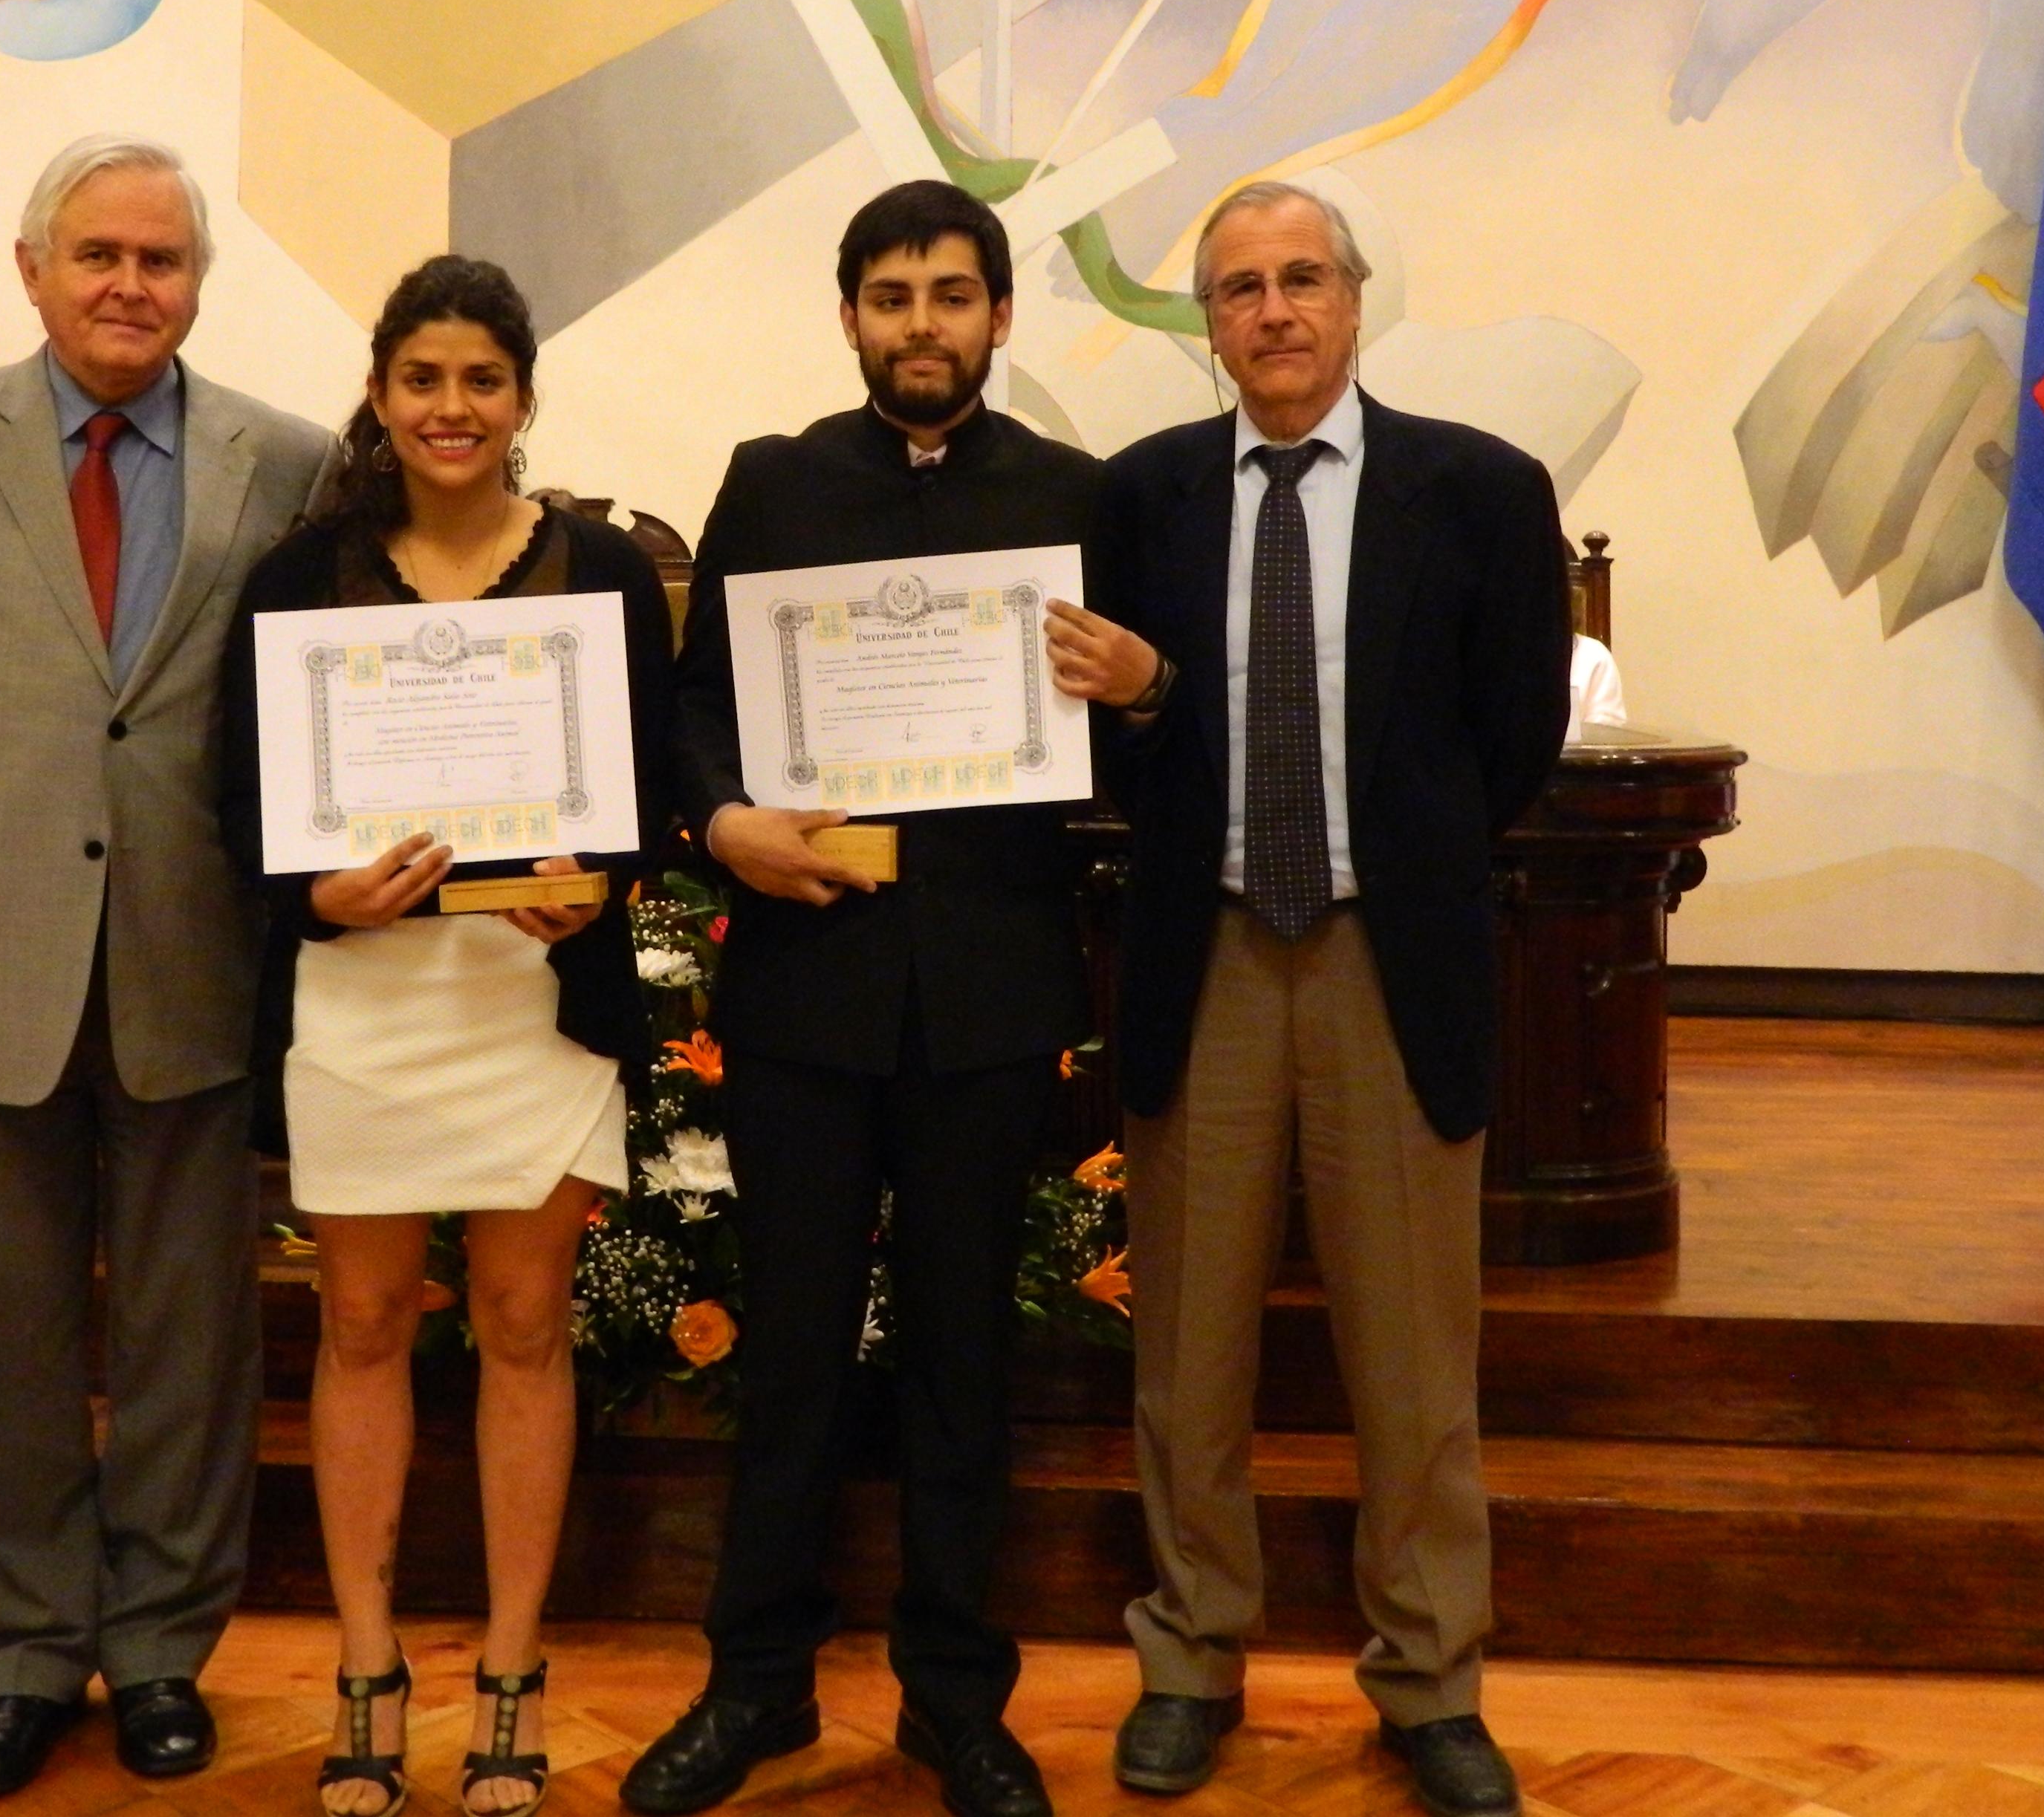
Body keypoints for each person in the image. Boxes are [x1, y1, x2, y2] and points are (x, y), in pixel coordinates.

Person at [0, 137, 336, 1797]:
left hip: (193, 955)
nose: (128, 285)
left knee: (192, 1338)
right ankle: (30, 1653)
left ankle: (165, 1649)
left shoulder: (287, 462)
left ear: (195, 286)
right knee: (7, 1335)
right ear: (33, 269)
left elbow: (294, 701)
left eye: (161, 261)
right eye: (97, 254)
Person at [621, 181, 1158, 1817]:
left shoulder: (1075, 496)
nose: (920, 324)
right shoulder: (773, 486)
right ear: (847, 317)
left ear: (1001, 317)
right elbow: (695, 708)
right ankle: (758, 1687)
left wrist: (1138, 692)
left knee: (957, 1366)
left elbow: (1125, 728)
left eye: (951, 294)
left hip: (987, 995)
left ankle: (951, 1698)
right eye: (890, 295)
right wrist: (721, 826)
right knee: (787, 1354)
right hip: (802, 988)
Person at [1084, 181, 1569, 1817]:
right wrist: (1158, 710)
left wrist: (1401, 857)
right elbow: (1105, 741)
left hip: (1389, 961)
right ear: (1205, 327)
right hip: (1203, 956)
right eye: (1239, 289)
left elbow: (1510, 741)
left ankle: (1430, 1683)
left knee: (1417, 1364)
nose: (1274, 311)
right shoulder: (1140, 500)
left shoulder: (1483, 492)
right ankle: (1190, 1660)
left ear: (1357, 303)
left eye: (1302, 280)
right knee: (1190, 1359)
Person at [215, 255, 681, 1817]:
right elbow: (241, 808)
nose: (452, 408)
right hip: (364, 999)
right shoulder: (300, 577)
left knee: (525, 1326)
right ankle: (365, 1669)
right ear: (382, 393)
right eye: (424, 378)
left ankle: (510, 1674)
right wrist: (317, 891)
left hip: (532, 1009)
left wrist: (595, 888)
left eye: (483, 379)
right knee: (359, 1329)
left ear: (523, 398)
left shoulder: (604, 574)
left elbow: (650, 793)